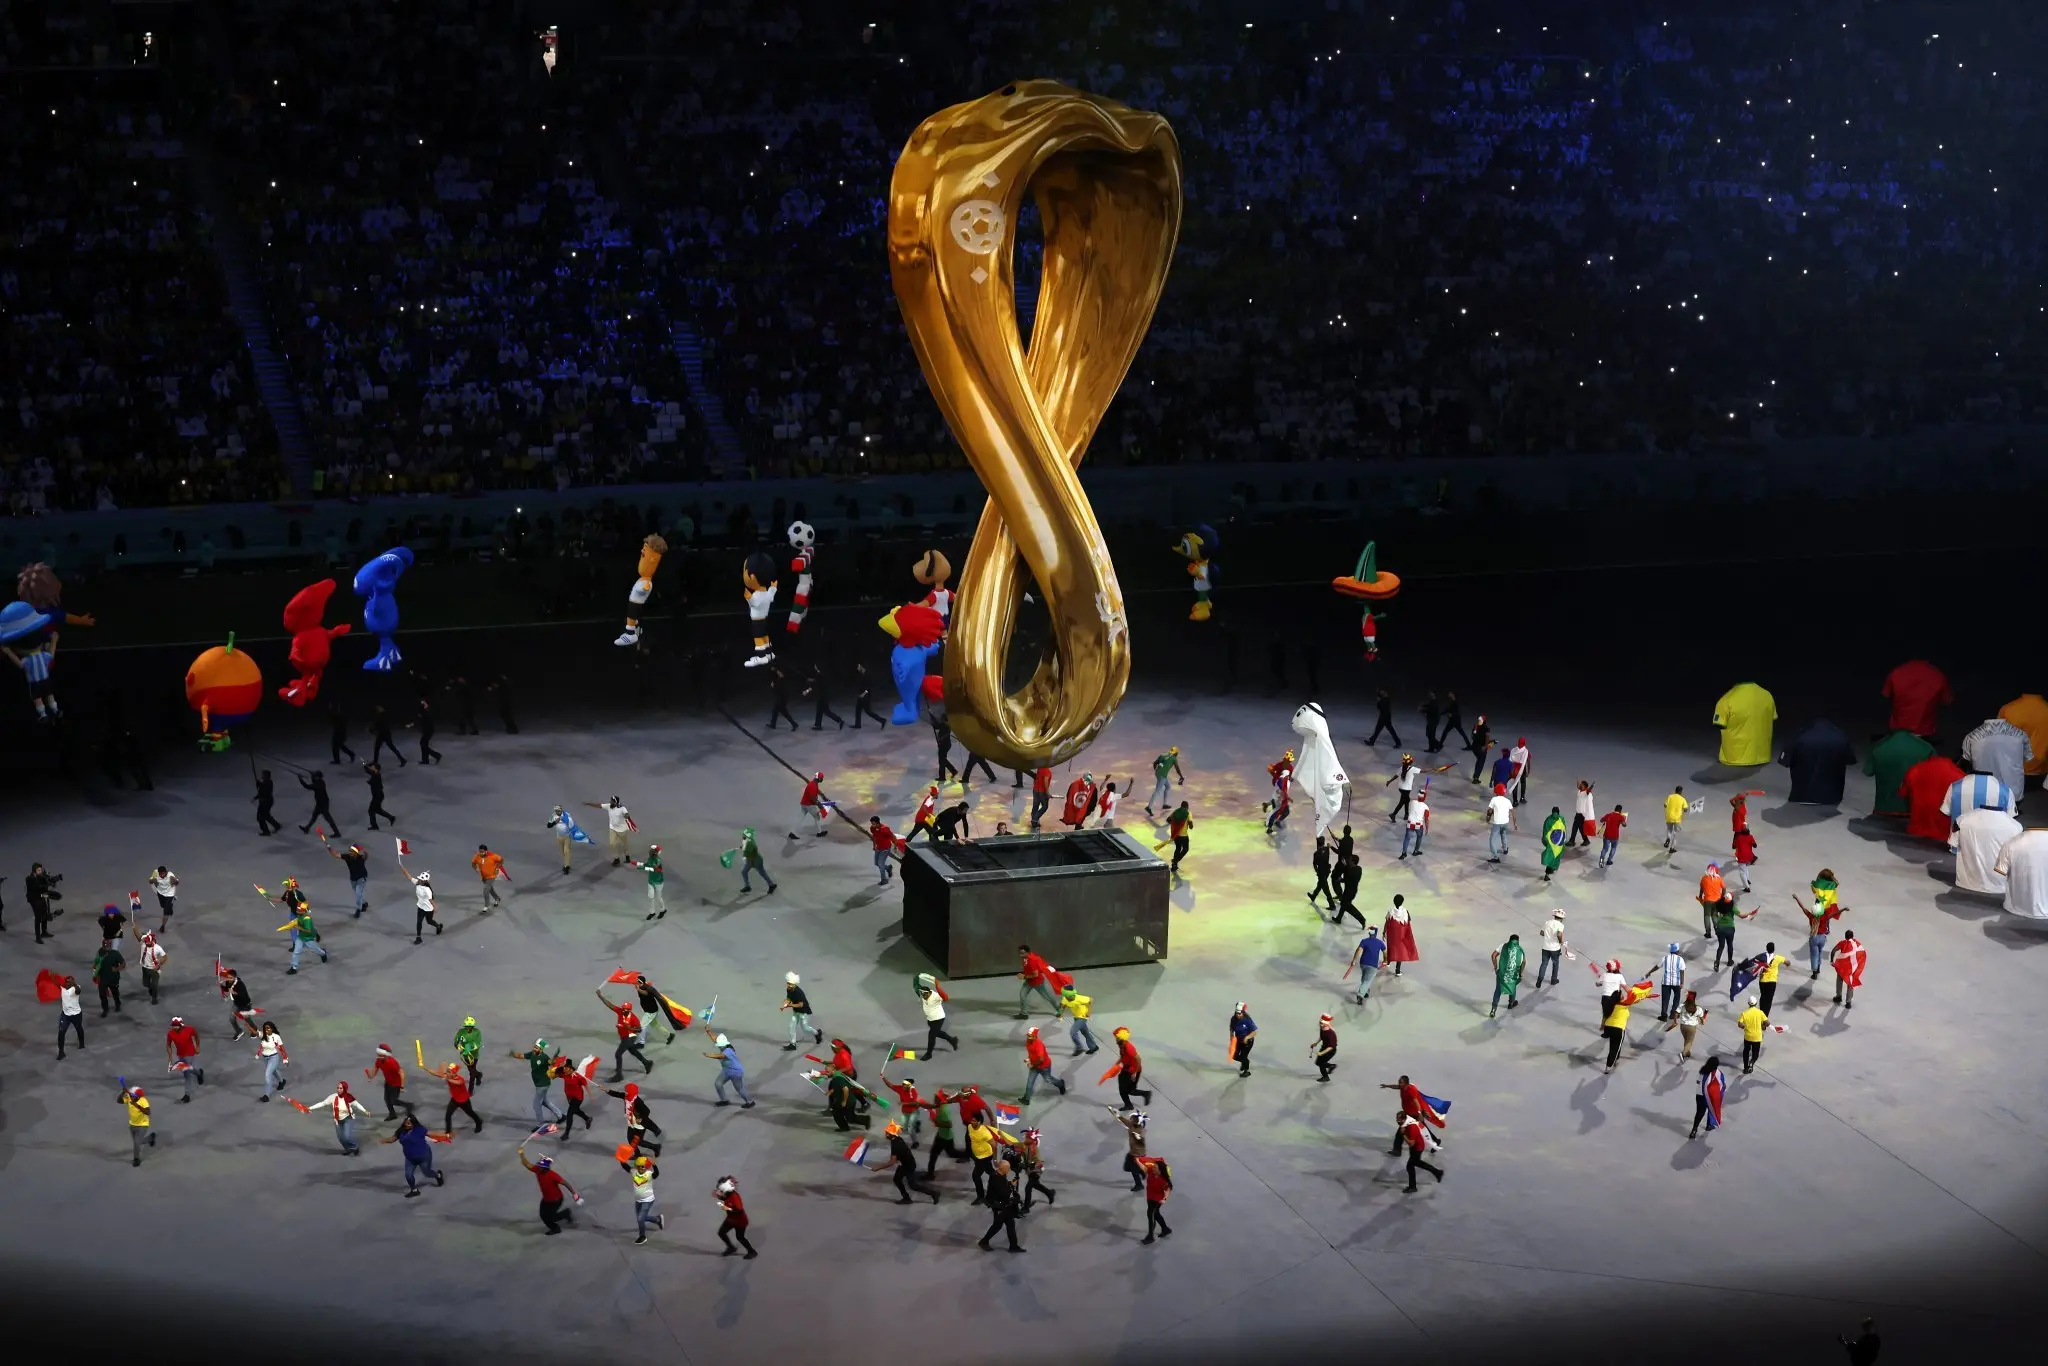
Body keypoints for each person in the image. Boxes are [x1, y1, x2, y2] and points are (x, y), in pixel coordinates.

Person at [519, 1136, 579, 1234]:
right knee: (543, 1215)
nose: (538, 1166)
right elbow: (527, 1165)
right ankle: (565, 1214)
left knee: (550, 1217)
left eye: (540, 1166)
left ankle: (557, 1226)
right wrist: (521, 1155)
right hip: (546, 1199)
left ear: (545, 1168)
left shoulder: (552, 1175)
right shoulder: (538, 1170)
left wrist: (574, 1194)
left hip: (556, 1200)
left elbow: (565, 1183)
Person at [871, 1120, 941, 1204]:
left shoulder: (896, 1144)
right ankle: (906, 1198)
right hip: (905, 1164)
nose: (885, 1134)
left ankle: (934, 1193)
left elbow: (892, 1162)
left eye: (887, 1133)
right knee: (897, 1179)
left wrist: (878, 1167)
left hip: (908, 1166)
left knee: (913, 1185)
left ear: (891, 1134)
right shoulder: (897, 1139)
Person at [381, 1114, 447, 1198]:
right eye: (406, 1123)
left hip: (424, 1156)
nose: (406, 1125)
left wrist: (446, 1135)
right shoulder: (401, 1131)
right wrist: (384, 1140)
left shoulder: (420, 1129)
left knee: (427, 1173)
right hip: (410, 1159)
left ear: (414, 1124)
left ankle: (438, 1175)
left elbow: (432, 1134)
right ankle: (414, 1190)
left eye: (409, 1123)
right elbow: (392, 1139)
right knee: (408, 1175)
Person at [597, 987, 654, 1080]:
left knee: (618, 1054)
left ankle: (619, 1075)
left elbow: (639, 1030)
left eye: (625, 1010)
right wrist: (600, 996)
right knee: (632, 1050)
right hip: (624, 1036)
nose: (623, 1010)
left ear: (629, 1010)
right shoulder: (620, 1011)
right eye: (623, 1008)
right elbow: (610, 1005)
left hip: (630, 1037)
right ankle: (647, 1063)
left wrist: (629, 1028)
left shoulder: (633, 1019)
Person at [510, 1038, 566, 1127]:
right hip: (540, 1084)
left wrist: (555, 1056)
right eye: (534, 1047)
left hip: (542, 1084)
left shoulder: (544, 1057)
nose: (534, 1049)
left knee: (536, 1105)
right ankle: (560, 1116)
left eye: (536, 1048)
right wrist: (513, 1055)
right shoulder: (532, 1054)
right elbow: (522, 1056)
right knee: (544, 1101)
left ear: (541, 1049)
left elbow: (551, 1062)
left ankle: (541, 1125)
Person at [306, 1080, 370, 1155]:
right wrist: (309, 1108)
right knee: (341, 1139)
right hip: (337, 1120)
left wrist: (365, 1111)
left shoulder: (349, 1097)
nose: (338, 1090)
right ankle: (348, 1149)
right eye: (338, 1088)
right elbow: (323, 1103)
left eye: (341, 1088)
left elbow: (357, 1105)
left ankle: (355, 1146)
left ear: (344, 1089)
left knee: (347, 1137)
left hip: (348, 1118)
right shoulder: (333, 1097)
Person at [1394, 1106, 1445, 1192]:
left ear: (1404, 1119)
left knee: (1410, 1166)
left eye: (1399, 1120)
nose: (1397, 1122)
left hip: (1417, 1148)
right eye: (1397, 1119)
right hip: (1416, 1147)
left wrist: (1403, 1134)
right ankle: (1437, 1172)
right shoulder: (1407, 1122)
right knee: (1416, 1163)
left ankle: (1413, 1187)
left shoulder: (1412, 1128)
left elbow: (1411, 1143)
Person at [704, 1033, 755, 1107]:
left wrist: (709, 1055)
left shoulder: (729, 1050)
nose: (719, 1047)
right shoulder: (724, 1046)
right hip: (726, 1070)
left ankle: (750, 1102)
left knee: (739, 1089)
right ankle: (724, 1100)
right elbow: (715, 1039)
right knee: (718, 1084)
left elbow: (721, 1056)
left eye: (720, 1045)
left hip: (735, 1072)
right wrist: (709, 1031)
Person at [324, 840, 371, 917]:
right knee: (357, 893)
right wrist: (329, 847)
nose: (350, 852)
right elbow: (336, 855)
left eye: (352, 851)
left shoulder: (361, 857)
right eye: (350, 851)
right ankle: (363, 903)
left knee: (358, 893)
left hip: (362, 877)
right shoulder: (347, 857)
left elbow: (366, 856)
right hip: (353, 878)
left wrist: (365, 851)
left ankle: (358, 910)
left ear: (356, 852)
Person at [1020, 1026, 1066, 1103]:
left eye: (1030, 1036)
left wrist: (1032, 1064)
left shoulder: (1039, 1045)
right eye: (1028, 1035)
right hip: (1034, 1065)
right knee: (1030, 1082)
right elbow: (1031, 1053)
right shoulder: (1028, 1041)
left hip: (1044, 1066)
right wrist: (1029, 1059)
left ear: (1035, 1036)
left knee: (1048, 1079)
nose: (1028, 1037)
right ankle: (1026, 1099)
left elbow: (1041, 1059)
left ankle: (1060, 1084)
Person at [714, 1176, 757, 1257]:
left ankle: (752, 1252)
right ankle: (731, 1248)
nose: (719, 1190)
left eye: (721, 1190)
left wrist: (725, 1208)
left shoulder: (735, 1197)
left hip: (740, 1221)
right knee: (721, 1232)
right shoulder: (728, 1193)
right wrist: (719, 1196)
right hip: (731, 1219)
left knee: (740, 1237)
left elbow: (738, 1210)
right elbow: (725, 1198)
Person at [1016, 945, 1063, 1018]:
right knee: (1022, 995)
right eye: (1020, 953)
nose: (1020, 955)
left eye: (1022, 953)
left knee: (1047, 997)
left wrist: (1024, 976)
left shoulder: (1032, 961)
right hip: (1029, 981)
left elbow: (1035, 975)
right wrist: (1024, 974)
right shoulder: (1026, 958)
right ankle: (1024, 1013)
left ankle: (1058, 1008)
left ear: (1028, 953)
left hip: (1038, 983)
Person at [400, 863, 442, 944]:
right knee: (419, 922)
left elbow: (431, 900)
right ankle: (418, 938)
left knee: (429, 921)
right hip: (420, 907)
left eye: (421, 879)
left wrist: (435, 907)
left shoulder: (427, 890)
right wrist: (402, 867)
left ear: (425, 881)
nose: (419, 879)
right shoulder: (417, 882)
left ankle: (438, 926)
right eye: (419, 878)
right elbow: (408, 876)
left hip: (428, 909)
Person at [1110, 1026, 1151, 1109]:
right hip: (1126, 1068)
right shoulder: (1121, 1045)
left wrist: (1135, 1073)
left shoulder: (1129, 1048)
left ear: (1121, 1038)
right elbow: (1123, 1056)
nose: (1115, 1039)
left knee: (1130, 1090)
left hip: (1133, 1070)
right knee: (1122, 1089)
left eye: (1117, 1037)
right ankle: (1129, 1104)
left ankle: (1145, 1094)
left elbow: (1139, 1059)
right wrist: (1117, 1064)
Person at [917, 978, 959, 1058]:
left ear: (929, 992)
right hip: (930, 1019)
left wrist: (938, 987)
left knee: (931, 1035)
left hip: (938, 1019)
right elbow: (917, 987)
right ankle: (952, 1040)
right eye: (922, 995)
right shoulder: (924, 995)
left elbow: (945, 997)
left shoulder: (936, 996)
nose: (923, 997)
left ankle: (928, 1054)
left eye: (925, 995)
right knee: (937, 1033)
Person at [165, 1016, 203, 1099]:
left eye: (176, 1025)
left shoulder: (189, 1029)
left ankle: (187, 1095)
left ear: (181, 1025)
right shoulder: (170, 1033)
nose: (175, 1027)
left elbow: (196, 1036)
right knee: (187, 1070)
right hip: (180, 1055)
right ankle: (199, 1073)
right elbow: (168, 1045)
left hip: (190, 1053)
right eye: (173, 1025)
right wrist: (170, 1056)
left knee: (187, 1073)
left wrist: (197, 1046)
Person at [1665, 991, 1709, 1061]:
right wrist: (1704, 1019)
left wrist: (1675, 1022)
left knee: (1686, 1040)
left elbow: (1676, 1013)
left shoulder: (1682, 1006)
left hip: (1683, 1027)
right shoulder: (1698, 1009)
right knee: (1689, 1042)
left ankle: (1687, 1053)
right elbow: (1702, 1021)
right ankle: (1683, 1053)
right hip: (1692, 1028)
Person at [118, 1083, 155, 1167]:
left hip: (143, 1124)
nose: (131, 1096)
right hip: (132, 1124)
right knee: (138, 1142)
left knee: (136, 1142)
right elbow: (119, 1101)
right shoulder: (129, 1098)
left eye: (132, 1095)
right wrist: (122, 1093)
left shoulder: (143, 1101)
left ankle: (136, 1159)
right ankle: (151, 1138)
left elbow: (148, 1112)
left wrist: (136, 1105)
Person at [1348, 924, 1387, 1002]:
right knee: (1367, 980)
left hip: (1363, 963)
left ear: (1369, 933)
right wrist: (1385, 960)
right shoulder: (1380, 943)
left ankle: (1365, 992)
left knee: (1364, 978)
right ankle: (1360, 995)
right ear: (1376, 933)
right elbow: (1385, 953)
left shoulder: (1364, 941)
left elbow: (1358, 950)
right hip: (1373, 965)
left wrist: (1354, 960)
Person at [1489, 935, 1525, 1017]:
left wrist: (1495, 967)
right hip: (1512, 974)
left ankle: (1493, 1009)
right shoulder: (1520, 950)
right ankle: (1511, 1004)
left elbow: (1493, 956)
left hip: (1502, 973)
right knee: (1512, 987)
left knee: (1498, 990)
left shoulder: (1503, 946)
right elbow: (1523, 962)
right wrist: (1520, 973)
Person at [1690, 1056, 1726, 1139]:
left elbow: (1698, 1082)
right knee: (1711, 1109)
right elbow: (1722, 1085)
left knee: (1699, 1113)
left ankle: (1694, 1130)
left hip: (1700, 1095)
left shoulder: (1702, 1071)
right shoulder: (1718, 1074)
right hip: (1710, 1096)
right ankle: (1709, 1125)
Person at [1383, 895, 1419, 975]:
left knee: (1391, 947)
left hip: (1392, 935)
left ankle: (1388, 962)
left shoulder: (1390, 911)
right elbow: (1408, 922)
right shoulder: (1405, 911)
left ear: (1394, 901)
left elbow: (1387, 922)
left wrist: (1384, 932)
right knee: (1400, 951)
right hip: (1401, 936)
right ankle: (1397, 970)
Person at [1830, 930, 1866, 1008]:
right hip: (1852, 968)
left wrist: (1832, 961)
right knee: (1850, 982)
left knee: (1839, 980)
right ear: (1853, 936)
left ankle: (1838, 996)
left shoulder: (1843, 943)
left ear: (1845, 936)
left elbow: (1833, 951)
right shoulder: (1857, 944)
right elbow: (1862, 954)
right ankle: (1848, 1002)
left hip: (1842, 967)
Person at [255, 1021, 290, 1101]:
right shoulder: (263, 1035)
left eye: (268, 1028)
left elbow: (282, 1048)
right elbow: (255, 1032)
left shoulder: (276, 1037)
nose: (266, 1030)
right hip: (265, 1058)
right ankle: (282, 1081)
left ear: (272, 1028)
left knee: (267, 1074)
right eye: (265, 1028)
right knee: (274, 1071)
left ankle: (266, 1095)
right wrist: (248, 1023)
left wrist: (285, 1059)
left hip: (273, 1057)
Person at [470, 844, 510, 912]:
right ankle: (497, 898)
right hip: (483, 876)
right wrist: (476, 868)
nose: (481, 853)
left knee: (486, 891)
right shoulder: (477, 856)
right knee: (490, 889)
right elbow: (473, 863)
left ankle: (486, 906)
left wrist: (497, 868)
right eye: (480, 851)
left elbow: (501, 860)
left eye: (482, 852)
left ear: (486, 851)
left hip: (491, 876)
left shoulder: (493, 856)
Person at [1145, 747, 1185, 816]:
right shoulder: (1174, 759)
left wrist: (1157, 771)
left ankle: (1164, 804)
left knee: (1168, 787)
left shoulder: (1163, 755)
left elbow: (1154, 763)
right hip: (1162, 776)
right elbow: (1177, 769)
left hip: (1159, 774)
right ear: (1176, 753)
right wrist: (1181, 776)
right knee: (1157, 791)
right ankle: (1149, 807)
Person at [1756, 942, 1793, 1015]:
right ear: (1774, 949)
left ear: (1766, 949)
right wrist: (1787, 965)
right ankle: (1765, 1017)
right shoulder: (1777, 958)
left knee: (1763, 997)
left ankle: (1761, 1014)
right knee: (1769, 1000)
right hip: (1771, 982)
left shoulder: (1762, 957)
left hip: (1762, 981)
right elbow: (1788, 962)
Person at [737, 827, 777, 894]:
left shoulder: (750, 843)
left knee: (762, 873)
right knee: (744, 872)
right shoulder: (748, 840)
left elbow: (750, 852)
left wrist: (744, 850)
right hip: (751, 861)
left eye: (744, 834)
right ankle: (747, 886)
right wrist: (743, 847)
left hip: (756, 861)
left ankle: (771, 885)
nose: (742, 835)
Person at [1061, 983, 1098, 1055]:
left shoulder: (1079, 998)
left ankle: (1079, 1048)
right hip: (1076, 1017)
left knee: (1073, 1032)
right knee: (1085, 1032)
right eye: (1068, 996)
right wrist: (1060, 1012)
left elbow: (1091, 1000)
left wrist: (1089, 1011)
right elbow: (1063, 1005)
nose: (1071, 997)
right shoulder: (1065, 999)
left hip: (1083, 1016)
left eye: (1071, 996)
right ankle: (1093, 1047)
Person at [91, 938, 124, 1015]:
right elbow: (97, 962)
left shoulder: (115, 954)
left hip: (113, 978)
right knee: (102, 995)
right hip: (102, 978)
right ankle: (105, 1009)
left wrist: (116, 969)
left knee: (115, 993)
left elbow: (123, 964)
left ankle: (118, 1004)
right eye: (105, 946)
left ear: (110, 946)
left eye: (107, 946)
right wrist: (95, 972)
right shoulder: (100, 952)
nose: (106, 947)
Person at [1534, 910, 1567, 988]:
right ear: (1561, 918)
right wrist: (1560, 942)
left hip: (1545, 947)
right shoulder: (1561, 925)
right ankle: (1553, 980)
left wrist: (1548, 935)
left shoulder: (1547, 922)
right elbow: (1559, 934)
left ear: (1554, 916)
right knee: (1555, 964)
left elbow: (1541, 933)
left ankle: (1539, 980)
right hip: (1555, 949)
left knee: (1544, 964)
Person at [298, 770, 338, 836]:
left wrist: (300, 779)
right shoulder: (320, 782)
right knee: (314, 816)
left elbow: (307, 786)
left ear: (317, 777)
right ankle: (307, 828)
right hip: (321, 803)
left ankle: (337, 833)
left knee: (328, 818)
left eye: (315, 775)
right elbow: (313, 781)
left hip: (323, 804)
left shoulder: (318, 784)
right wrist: (311, 775)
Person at [1654, 942, 1687, 1021]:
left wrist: (1649, 972)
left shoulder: (1665, 958)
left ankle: (1664, 1016)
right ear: (1677, 951)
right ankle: (1673, 1014)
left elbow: (1657, 966)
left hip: (1666, 982)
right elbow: (1682, 971)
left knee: (1665, 1000)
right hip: (1676, 983)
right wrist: (1682, 983)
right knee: (1676, 998)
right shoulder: (1680, 959)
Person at [1736, 995, 1769, 1074]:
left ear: (1748, 1003)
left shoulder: (1744, 1013)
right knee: (1755, 1053)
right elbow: (1767, 1023)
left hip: (1748, 1037)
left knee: (1746, 1052)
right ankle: (1752, 1061)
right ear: (1756, 1003)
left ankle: (1745, 1068)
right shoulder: (1760, 1013)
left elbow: (1740, 1024)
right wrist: (1763, 1025)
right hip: (1757, 1037)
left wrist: (1743, 1026)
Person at [134, 927, 167, 1003]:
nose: (146, 943)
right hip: (145, 967)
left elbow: (165, 957)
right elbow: (138, 936)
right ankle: (151, 988)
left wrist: (159, 964)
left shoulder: (157, 948)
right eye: (146, 942)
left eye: (148, 942)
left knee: (154, 984)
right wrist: (134, 929)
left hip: (154, 969)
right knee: (145, 984)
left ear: (152, 941)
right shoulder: (143, 943)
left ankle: (154, 998)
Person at [56, 974, 84, 1058]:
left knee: (79, 1029)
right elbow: (55, 983)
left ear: (73, 982)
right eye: (67, 981)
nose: (68, 983)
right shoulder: (62, 988)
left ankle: (82, 1043)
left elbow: (78, 991)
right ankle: (61, 1052)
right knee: (61, 1032)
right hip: (65, 1015)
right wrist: (51, 976)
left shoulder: (76, 988)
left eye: (70, 982)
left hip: (76, 1014)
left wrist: (74, 984)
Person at [1386, 754, 1418, 824]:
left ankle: (1406, 814)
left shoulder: (1401, 768)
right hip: (1406, 789)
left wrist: (1389, 781)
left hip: (1401, 788)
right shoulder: (1412, 769)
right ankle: (1393, 814)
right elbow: (1423, 771)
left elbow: (1396, 776)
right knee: (1402, 802)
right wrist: (1432, 769)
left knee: (1407, 800)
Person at [1228, 1002, 1257, 1077]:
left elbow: (1254, 1032)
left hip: (1247, 1042)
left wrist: (1247, 1037)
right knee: (1234, 1055)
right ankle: (1245, 1062)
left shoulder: (1247, 1020)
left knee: (1243, 1056)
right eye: (1237, 1013)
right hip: (1238, 1040)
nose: (1238, 1015)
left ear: (1243, 1013)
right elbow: (1232, 1029)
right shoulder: (1233, 1019)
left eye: (1239, 1013)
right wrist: (1231, 1037)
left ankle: (1247, 1070)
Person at [1398, 791, 1429, 859]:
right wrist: (1427, 828)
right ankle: (1415, 851)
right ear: (1424, 798)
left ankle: (1404, 853)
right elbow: (1426, 819)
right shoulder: (1426, 807)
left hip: (1410, 823)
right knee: (1419, 837)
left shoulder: (1412, 802)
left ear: (1418, 796)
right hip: (1418, 825)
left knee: (1407, 838)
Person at [364, 762, 395, 830]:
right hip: (378, 795)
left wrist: (370, 782)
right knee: (377, 810)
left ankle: (374, 826)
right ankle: (391, 818)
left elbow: (376, 784)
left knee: (371, 810)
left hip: (378, 796)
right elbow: (368, 770)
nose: (371, 767)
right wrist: (365, 765)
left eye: (373, 767)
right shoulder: (375, 773)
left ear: (376, 769)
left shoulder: (377, 775)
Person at [146, 866, 179, 930]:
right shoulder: (156, 874)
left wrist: (175, 881)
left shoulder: (170, 875)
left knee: (166, 911)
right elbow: (150, 881)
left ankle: (163, 926)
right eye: (160, 874)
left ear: (166, 872)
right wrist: (152, 880)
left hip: (170, 894)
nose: (162, 875)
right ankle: (169, 907)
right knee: (163, 906)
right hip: (160, 893)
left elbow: (176, 882)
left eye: (163, 873)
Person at [253, 769, 282, 836]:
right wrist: (256, 797)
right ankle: (276, 826)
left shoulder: (268, 783)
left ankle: (266, 831)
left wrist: (259, 785)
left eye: (263, 775)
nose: (262, 776)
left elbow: (265, 792)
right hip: (266, 802)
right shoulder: (265, 782)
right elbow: (261, 792)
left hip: (266, 802)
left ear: (267, 776)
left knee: (260, 817)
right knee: (266, 816)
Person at [1568, 780, 1597, 847]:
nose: (1580, 785)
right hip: (1578, 813)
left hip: (1581, 814)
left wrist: (1591, 786)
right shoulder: (1579, 792)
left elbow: (1588, 791)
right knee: (1580, 828)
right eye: (1580, 784)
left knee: (1575, 827)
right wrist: (1578, 785)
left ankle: (1572, 841)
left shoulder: (1587, 793)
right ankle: (1586, 840)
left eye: (1582, 785)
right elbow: (1579, 788)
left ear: (1585, 787)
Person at [328, 700, 356, 765]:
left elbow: (336, 720)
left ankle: (338, 760)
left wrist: (331, 711)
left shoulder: (339, 715)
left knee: (336, 746)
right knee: (339, 745)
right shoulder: (338, 715)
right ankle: (350, 754)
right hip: (340, 731)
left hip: (339, 732)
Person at [1312, 1013, 1339, 1082]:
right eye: (1320, 1022)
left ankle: (1326, 1077)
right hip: (1324, 1047)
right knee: (1318, 1063)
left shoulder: (1331, 1034)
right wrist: (1316, 1043)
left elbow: (1331, 1047)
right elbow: (1322, 1037)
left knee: (1321, 1064)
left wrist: (1322, 1053)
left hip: (1330, 1051)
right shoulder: (1322, 1028)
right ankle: (1331, 1066)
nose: (1320, 1024)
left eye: (1322, 1023)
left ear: (1326, 1024)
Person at [1663, 785, 1688, 853]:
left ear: (1675, 791)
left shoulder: (1670, 796)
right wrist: (1683, 809)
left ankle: (1668, 839)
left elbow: (1665, 805)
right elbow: (1685, 809)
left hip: (1669, 817)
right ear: (1681, 792)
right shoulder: (1683, 799)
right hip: (1677, 819)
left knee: (1669, 830)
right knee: (1675, 833)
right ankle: (1672, 848)